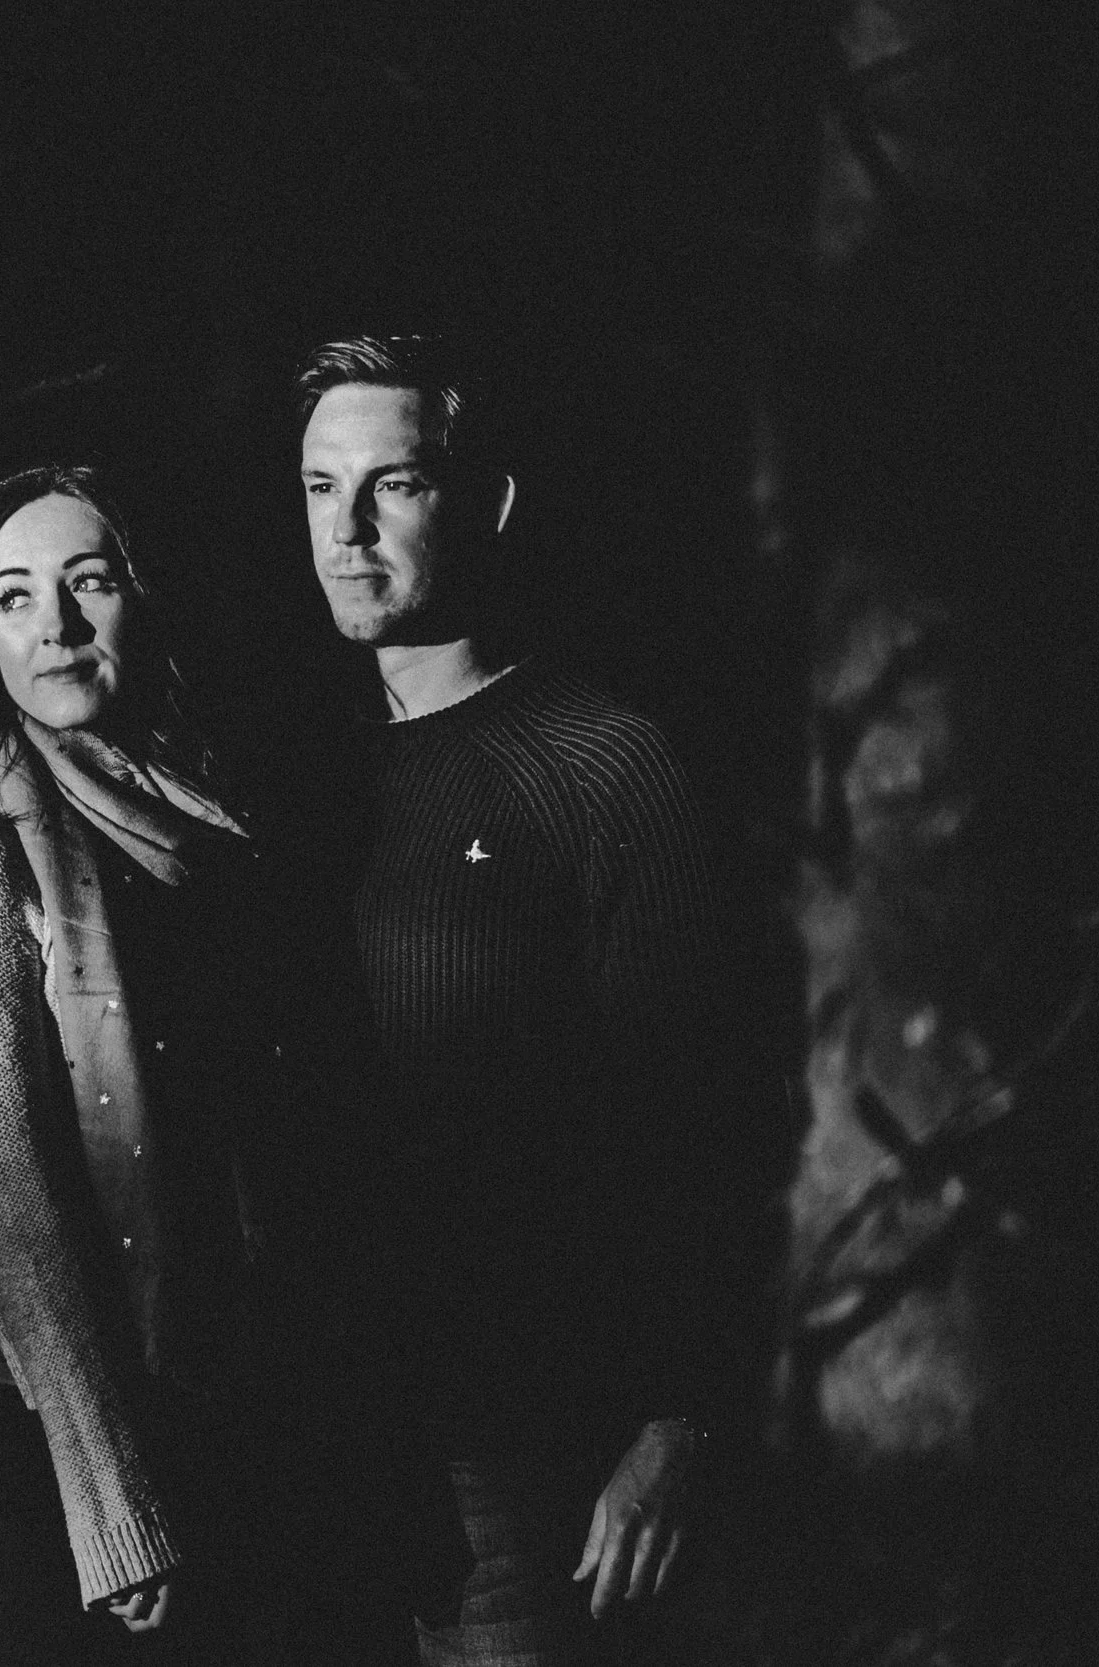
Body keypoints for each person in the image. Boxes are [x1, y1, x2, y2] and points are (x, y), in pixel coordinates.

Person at [293, 335, 756, 1666]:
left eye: (397, 485)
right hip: (336, 1445)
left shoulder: (601, 760)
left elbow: (704, 1109)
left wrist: (679, 1418)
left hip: (533, 1458)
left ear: (485, 498)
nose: (350, 528)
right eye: (322, 487)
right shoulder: (308, 783)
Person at [0, 463, 313, 1664]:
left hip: (213, 1424)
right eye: (15, 597)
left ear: (140, 599)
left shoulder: (209, 844)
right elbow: (11, 1201)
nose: (58, 624)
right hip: (51, 1470)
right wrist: (113, 1502)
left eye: (87, 582)